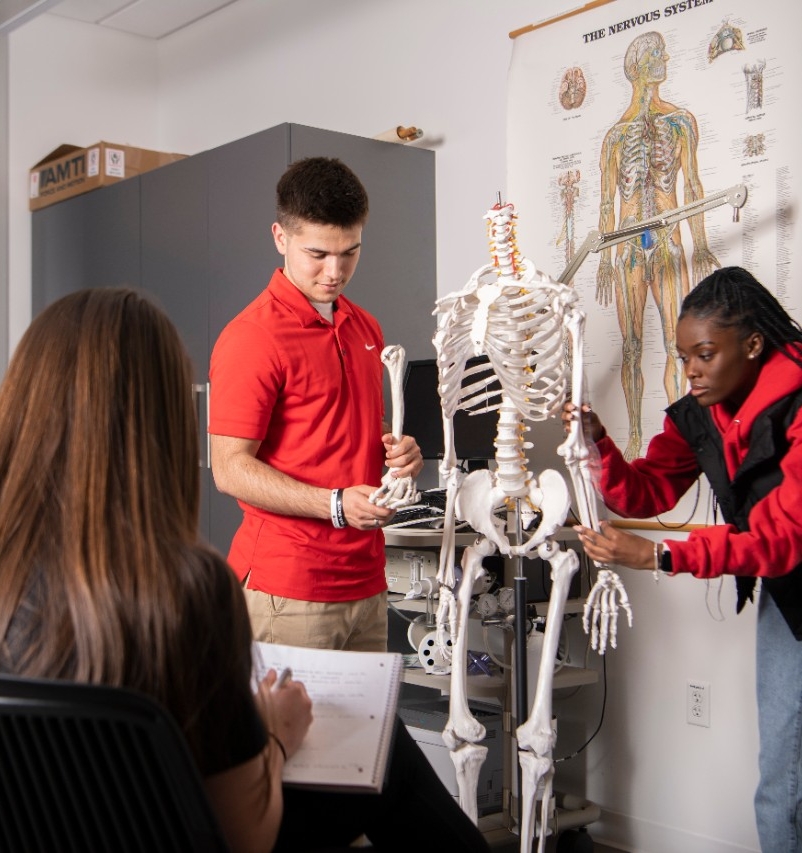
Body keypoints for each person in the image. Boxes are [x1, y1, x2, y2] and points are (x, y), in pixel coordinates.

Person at [0, 287, 490, 853]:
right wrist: (275, 735)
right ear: (163, 423)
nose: (333, 270)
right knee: (382, 748)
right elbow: (246, 835)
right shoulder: (187, 591)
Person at [564, 267, 802, 852]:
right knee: (784, 779)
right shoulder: (703, 411)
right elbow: (645, 491)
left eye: (705, 355)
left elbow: (782, 539)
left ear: (753, 345)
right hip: (790, 597)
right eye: (684, 357)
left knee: (784, 789)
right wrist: (597, 442)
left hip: (789, 571)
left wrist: (660, 556)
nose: (690, 370)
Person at [209, 156, 423, 652]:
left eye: (350, 252)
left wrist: (399, 451)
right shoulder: (251, 337)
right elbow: (229, 469)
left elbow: (344, 430)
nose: (335, 271)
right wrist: (335, 505)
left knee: (366, 711)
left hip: (367, 580)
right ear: (280, 238)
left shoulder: (364, 325)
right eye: (318, 254)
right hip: (289, 587)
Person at [596, 30, 720, 461]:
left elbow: (693, 186)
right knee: (631, 348)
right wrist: (605, 261)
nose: (664, 58)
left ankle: (680, 441)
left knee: (674, 345)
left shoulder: (680, 122)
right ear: (639, 67)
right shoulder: (615, 136)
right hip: (628, 248)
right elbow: (607, 204)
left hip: (668, 244)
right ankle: (633, 436)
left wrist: (700, 244)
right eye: (656, 54)